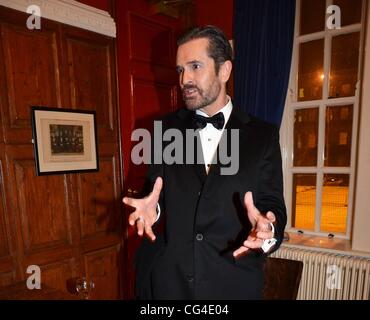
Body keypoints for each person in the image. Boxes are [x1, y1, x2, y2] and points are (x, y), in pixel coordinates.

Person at [123, 25, 287, 300]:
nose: (184, 79)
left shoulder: (263, 135)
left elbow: (272, 205)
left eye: (195, 66)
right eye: (179, 70)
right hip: (170, 286)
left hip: (234, 286)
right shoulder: (166, 129)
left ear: (224, 71)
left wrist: (268, 229)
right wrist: (154, 211)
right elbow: (155, 194)